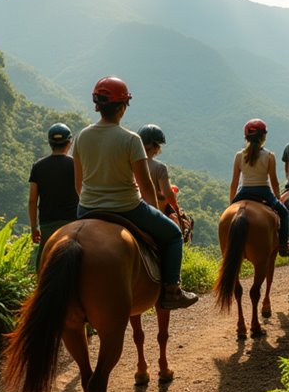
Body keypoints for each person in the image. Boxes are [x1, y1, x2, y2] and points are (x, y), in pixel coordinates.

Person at [72, 76, 198, 310]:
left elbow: (78, 184)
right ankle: (172, 290)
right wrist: (152, 208)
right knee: (172, 235)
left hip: (87, 208)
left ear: (97, 106)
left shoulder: (81, 137)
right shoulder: (131, 139)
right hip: (127, 208)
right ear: (122, 108)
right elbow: (146, 185)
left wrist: (90, 201)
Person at [229, 119, 289, 258]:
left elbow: (234, 182)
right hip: (264, 191)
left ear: (246, 137)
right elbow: (274, 180)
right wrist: (278, 198)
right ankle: (284, 247)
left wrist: (231, 202)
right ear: (263, 137)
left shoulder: (238, 156)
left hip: (243, 191)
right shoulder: (269, 156)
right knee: (284, 214)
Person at [27, 122, 79, 270]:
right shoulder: (76, 164)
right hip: (74, 224)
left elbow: (32, 200)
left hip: (48, 225)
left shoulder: (38, 166)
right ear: (69, 142)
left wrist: (33, 227)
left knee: (42, 269)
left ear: (50, 143)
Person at [137, 123, 183, 221]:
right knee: (176, 234)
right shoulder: (160, 168)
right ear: (156, 147)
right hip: (151, 211)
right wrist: (176, 207)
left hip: (129, 208)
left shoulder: (130, 163)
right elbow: (167, 195)